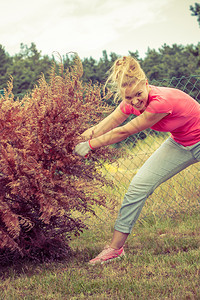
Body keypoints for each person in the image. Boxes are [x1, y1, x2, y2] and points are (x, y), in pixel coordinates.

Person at [74, 56, 200, 265]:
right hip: (179, 144)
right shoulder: (129, 103)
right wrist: (78, 139)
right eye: (128, 97)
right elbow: (108, 123)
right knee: (138, 186)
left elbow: (125, 131)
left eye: (139, 94)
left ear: (146, 83)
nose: (135, 101)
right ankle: (115, 250)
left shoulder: (161, 102)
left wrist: (91, 145)